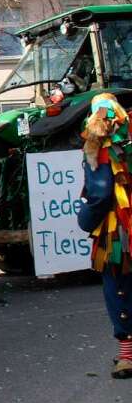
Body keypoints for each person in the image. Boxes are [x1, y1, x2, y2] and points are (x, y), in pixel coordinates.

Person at [77, 93, 132, 379]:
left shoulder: (100, 150)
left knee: (119, 286)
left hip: (118, 230)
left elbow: (99, 196)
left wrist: (84, 220)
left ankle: (128, 357)